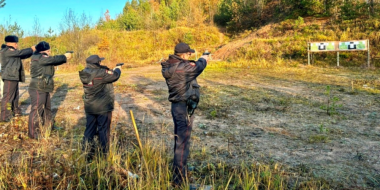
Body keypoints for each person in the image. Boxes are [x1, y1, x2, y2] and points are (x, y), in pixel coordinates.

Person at [161, 42, 209, 186]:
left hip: (178, 106)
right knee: (182, 142)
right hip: (183, 107)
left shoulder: (171, 66)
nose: (189, 56)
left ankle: (181, 169)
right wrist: (204, 57)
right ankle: (179, 180)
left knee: (180, 140)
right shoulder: (182, 68)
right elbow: (199, 66)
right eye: (188, 54)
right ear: (183, 54)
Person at [79, 55, 122, 159]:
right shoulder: (101, 73)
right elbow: (115, 76)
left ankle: (86, 152)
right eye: (99, 62)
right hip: (102, 107)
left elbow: (103, 73)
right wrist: (118, 69)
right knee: (103, 130)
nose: (101, 63)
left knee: (89, 129)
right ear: (96, 63)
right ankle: (104, 154)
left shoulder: (85, 72)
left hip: (90, 106)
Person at [28, 41, 72, 139]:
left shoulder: (41, 57)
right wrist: (64, 57)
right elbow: (53, 59)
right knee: (36, 110)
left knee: (47, 109)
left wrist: (63, 58)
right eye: (48, 51)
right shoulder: (39, 58)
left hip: (44, 86)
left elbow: (52, 60)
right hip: (38, 87)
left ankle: (48, 127)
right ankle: (33, 134)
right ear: (45, 51)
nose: (50, 52)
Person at [0, 35, 36, 122]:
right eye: (15, 43)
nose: (16, 45)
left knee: (15, 96)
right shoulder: (6, 51)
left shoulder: (13, 52)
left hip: (13, 77)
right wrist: (31, 49)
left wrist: (32, 51)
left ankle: (15, 111)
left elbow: (22, 55)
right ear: (10, 43)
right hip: (9, 77)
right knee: (8, 97)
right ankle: (4, 116)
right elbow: (20, 53)